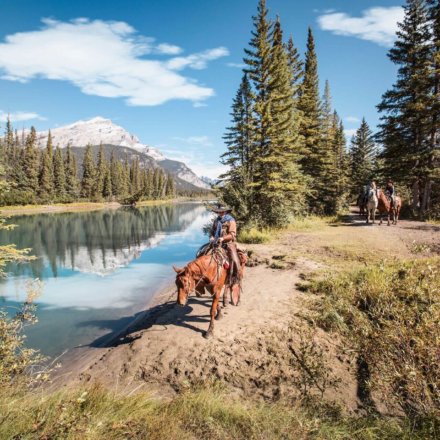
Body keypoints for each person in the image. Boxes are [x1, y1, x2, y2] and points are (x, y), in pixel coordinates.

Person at [209, 204, 241, 289]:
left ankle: (235, 277)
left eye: (222, 212)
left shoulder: (231, 220)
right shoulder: (216, 221)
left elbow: (232, 234)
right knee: (201, 253)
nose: (220, 213)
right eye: (219, 212)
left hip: (228, 243)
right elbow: (212, 231)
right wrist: (212, 237)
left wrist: (223, 238)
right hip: (216, 243)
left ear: (226, 211)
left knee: (234, 260)